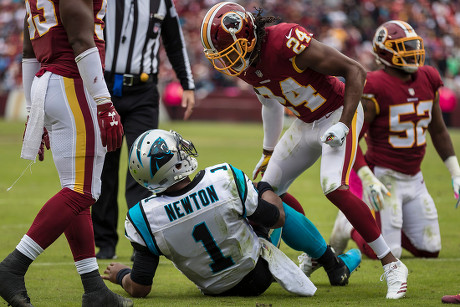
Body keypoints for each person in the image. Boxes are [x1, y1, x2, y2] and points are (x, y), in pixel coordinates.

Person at [200, 2, 408, 299]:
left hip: (337, 112)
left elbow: (355, 71)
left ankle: (392, 263)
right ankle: (316, 253)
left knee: (333, 187)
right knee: (266, 193)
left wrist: (346, 125)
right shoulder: (249, 62)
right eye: (221, 56)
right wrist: (269, 149)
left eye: (229, 51)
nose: (227, 61)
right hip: (306, 121)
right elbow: (270, 102)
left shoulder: (285, 40)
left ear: (246, 34)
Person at [102, 129, 361, 297]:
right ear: (176, 162)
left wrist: (122, 275)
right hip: (256, 275)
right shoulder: (222, 177)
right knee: (275, 199)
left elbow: (140, 287)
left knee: (247, 206)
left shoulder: (142, 217)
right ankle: (333, 263)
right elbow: (276, 217)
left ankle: (324, 260)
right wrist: (266, 187)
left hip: (213, 288)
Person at [0, 0, 133, 306]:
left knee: (75, 193)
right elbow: (80, 39)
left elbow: (28, 47)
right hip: (72, 83)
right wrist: (104, 103)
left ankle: (93, 289)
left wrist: (34, 110)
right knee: (80, 193)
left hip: (49, 82)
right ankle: (13, 267)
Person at [329, 20, 460, 260]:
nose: (412, 52)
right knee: (387, 252)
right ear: (385, 52)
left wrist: (456, 172)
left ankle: (383, 229)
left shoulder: (429, 77)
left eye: (413, 45)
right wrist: (367, 178)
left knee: (429, 250)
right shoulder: (375, 84)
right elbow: (352, 140)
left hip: (416, 177)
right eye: (404, 47)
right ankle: (350, 226)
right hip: (384, 176)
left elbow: (439, 130)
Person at [91, 0, 196, 260]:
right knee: (104, 168)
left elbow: (174, 41)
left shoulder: (161, 2)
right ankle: (104, 242)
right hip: (103, 89)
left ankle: (142, 241)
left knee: (145, 168)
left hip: (143, 92)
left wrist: (187, 83)